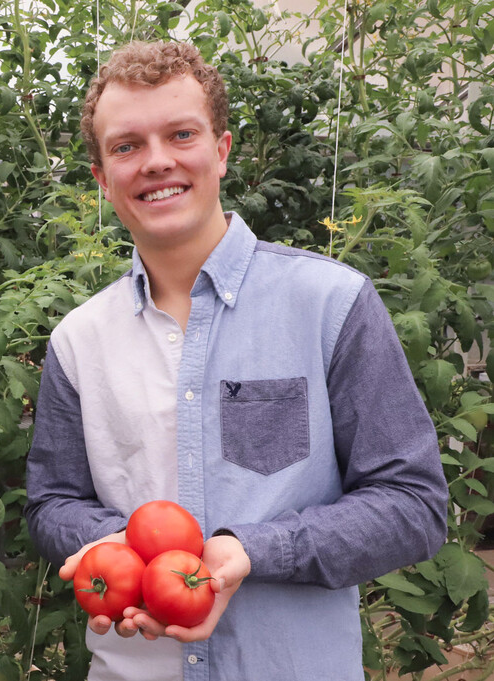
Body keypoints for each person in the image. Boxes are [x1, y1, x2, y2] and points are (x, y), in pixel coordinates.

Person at [23, 40, 448, 681]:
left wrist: (251, 550)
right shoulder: (80, 338)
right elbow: (53, 501)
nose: (156, 161)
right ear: (102, 178)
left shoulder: (330, 304)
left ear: (221, 151)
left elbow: (413, 504)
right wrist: (122, 550)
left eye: (181, 134)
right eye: (126, 146)